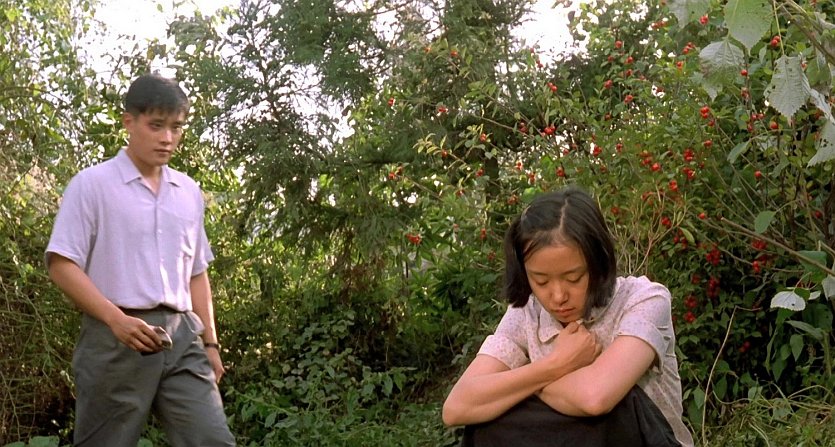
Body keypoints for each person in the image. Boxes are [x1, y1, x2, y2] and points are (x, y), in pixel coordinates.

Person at [45, 74, 236, 446]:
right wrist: (116, 320)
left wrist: (210, 345)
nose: (167, 138)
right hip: (115, 337)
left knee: (212, 439)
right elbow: (61, 264)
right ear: (129, 122)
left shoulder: (188, 192)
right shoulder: (92, 185)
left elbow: (197, 273)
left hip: (183, 338)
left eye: (176, 127)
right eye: (156, 125)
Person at [442, 187, 694, 447]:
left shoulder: (644, 300)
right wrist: (557, 364)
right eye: (541, 281)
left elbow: (595, 398)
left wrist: (515, 387)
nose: (558, 296)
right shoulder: (526, 313)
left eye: (574, 278)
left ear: (599, 262)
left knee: (616, 404)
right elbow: (457, 407)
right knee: (486, 423)